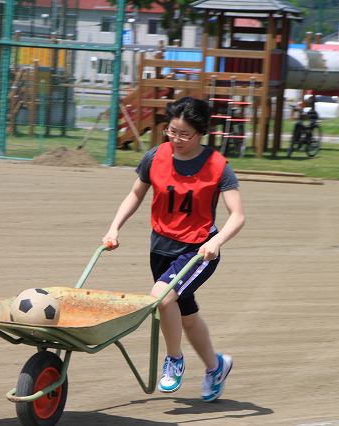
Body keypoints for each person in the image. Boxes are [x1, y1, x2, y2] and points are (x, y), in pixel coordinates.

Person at [102, 96, 245, 402]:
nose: (176, 139)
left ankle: (174, 360)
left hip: (198, 251)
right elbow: (134, 195)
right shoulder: (155, 157)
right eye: (171, 131)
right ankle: (216, 367)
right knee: (186, 316)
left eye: (185, 134)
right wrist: (114, 228)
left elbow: (238, 216)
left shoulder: (218, 166)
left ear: (201, 133)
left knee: (162, 298)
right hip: (161, 249)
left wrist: (215, 242)